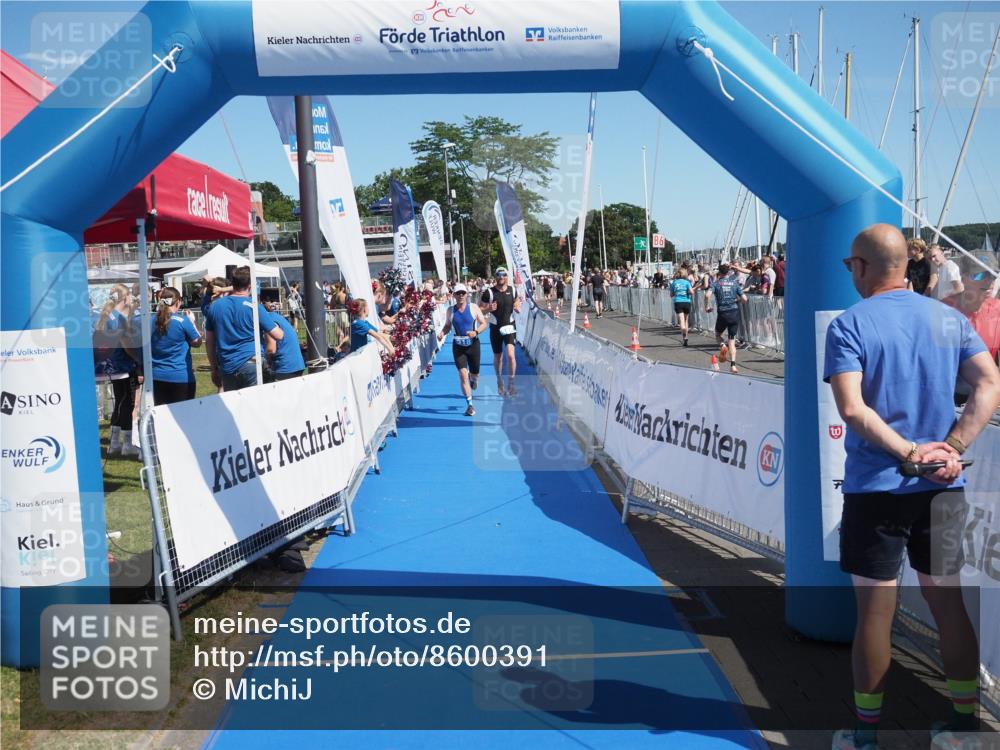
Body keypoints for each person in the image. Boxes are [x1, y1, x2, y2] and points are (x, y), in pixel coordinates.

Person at [824, 224, 1000, 750]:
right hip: (944, 484)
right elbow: (989, 382)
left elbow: (853, 408)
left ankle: (865, 736)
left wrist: (910, 455)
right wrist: (952, 447)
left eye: (850, 266)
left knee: (876, 612)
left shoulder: (850, 324)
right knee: (949, 604)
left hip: (880, 487)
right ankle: (964, 725)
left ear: (861, 266)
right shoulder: (948, 319)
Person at [204, 266, 284, 391]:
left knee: (233, 407)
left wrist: (214, 368)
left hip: (227, 366)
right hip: (251, 364)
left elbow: (209, 341)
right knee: (253, 406)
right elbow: (278, 335)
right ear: (250, 285)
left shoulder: (215, 306)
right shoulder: (253, 306)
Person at [92, 284, 141, 456]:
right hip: (122, 367)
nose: (131, 299)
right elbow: (127, 346)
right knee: (126, 403)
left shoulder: (103, 316)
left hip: (107, 366)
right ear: (124, 298)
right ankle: (126, 445)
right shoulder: (118, 318)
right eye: (129, 296)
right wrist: (138, 359)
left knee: (120, 402)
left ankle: (114, 443)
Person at [438, 284, 488, 417]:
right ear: (453, 295)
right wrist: (442, 333)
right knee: (462, 375)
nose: (460, 295)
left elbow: (484, 323)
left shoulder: (473, 308)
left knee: (474, 374)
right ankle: (470, 405)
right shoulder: (450, 310)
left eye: (463, 293)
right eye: (458, 293)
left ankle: (475, 379)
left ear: (467, 295)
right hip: (458, 346)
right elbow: (448, 326)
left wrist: (476, 331)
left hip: (473, 345)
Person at [150, 287, 201, 405]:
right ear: (178, 302)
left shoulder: (151, 320)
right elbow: (197, 342)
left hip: (156, 375)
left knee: (162, 416)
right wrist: (192, 322)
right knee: (183, 417)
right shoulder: (182, 321)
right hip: (180, 376)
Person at [480, 267, 522, 396]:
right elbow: (479, 309)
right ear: (496, 276)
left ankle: (511, 384)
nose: (501, 277)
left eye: (504, 275)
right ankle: (499, 382)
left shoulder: (513, 290)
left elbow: (517, 301)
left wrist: (517, 306)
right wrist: (488, 309)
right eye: (499, 275)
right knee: (498, 357)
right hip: (495, 327)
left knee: (510, 355)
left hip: (509, 325)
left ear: (507, 277)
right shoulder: (489, 292)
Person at [704, 263, 748, 374]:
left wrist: (707, 306)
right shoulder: (735, 283)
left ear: (719, 272)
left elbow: (707, 295)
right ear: (728, 272)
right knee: (732, 340)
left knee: (718, 334)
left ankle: (723, 345)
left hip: (723, 313)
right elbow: (745, 299)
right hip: (734, 312)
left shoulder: (716, 284)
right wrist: (737, 300)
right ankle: (733, 365)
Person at [264, 301, 306, 381]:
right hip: (297, 364)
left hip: (285, 368)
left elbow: (271, 350)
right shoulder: (278, 317)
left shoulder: (268, 321)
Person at [670, 269, 694, 347]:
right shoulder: (687, 282)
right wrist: (687, 292)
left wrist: (677, 292)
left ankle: (683, 332)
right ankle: (686, 336)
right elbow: (691, 292)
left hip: (678, 302)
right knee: (686, 319)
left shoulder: (674, 283)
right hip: (687, 302)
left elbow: (671, 294)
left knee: (681, 320)